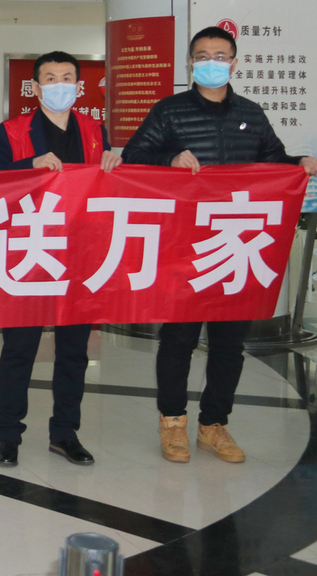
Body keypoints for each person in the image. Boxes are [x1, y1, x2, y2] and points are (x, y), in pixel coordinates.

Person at [124, 25, 317, 464]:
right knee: (178, 339)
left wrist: (298, 163)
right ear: (190, 62)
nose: (211, 62)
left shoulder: (250, 112)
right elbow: (135, 156)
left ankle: (214, 425)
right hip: (185, 245)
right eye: (202, 55)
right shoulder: (169, 111)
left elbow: (273, 160)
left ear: (234, 62)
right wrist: (170, 159)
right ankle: (172, 424)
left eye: (220, 55)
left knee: (230, 344)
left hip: (235, 243)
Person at [0, 50, 122, 469]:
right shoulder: (12, 130)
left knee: (75, 350)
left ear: (78, 86)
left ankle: (65, 433)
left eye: (67, 78)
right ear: (36, 87)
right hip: (29, 252)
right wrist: (30, 165)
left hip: (80, 252)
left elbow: (106, 188)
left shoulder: (94, 130)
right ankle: (8, 435)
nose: (59, 85)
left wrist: (114, 162)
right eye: (50, 78)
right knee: (19, 349)